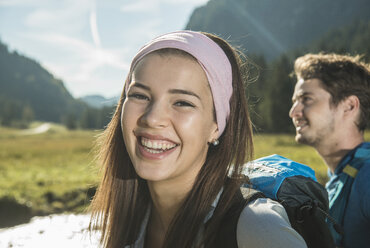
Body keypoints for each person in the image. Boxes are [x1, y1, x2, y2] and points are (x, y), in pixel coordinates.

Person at [89, 30, 306, 248]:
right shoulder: (129, 220)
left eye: (182, 102)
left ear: (216, 126)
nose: (153, 118)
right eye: (139, 95)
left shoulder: (257, 226)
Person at [289, 53, 370, 248]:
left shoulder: (368, 177)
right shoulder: (343, 175)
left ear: (349, 106)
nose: (293, 112)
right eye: (295, 101)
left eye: (306, 99)